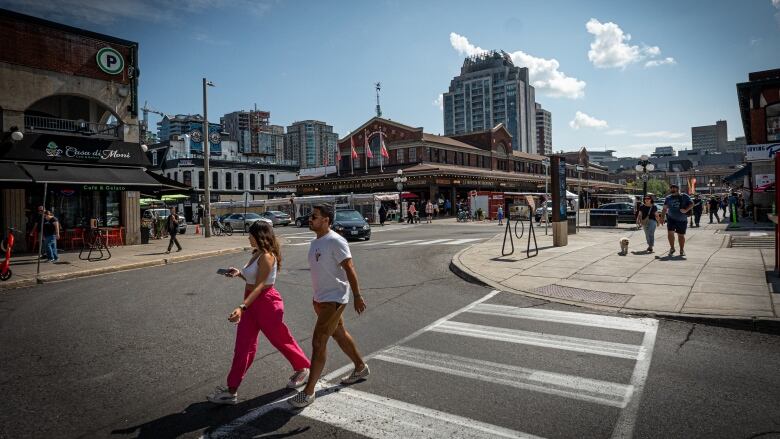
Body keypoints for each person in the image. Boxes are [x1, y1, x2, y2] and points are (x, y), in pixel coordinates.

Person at [209, 221, 311, 405]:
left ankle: (302, 367)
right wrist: (239, 273)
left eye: (251, 235)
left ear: (260, 236)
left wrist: (242, 307)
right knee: (243, 347)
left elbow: (261, 286)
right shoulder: (256, 254)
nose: (248, 238)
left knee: (281, 340)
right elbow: (252, 278)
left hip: (266, 302)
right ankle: (231, 390)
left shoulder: (267, 256)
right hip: (252, 301)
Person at [290, 204, 368, 408]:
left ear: (326, 220)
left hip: (334, 299)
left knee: (318, 342)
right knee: (339, 334)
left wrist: (357, 295)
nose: (310, 219)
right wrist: (316, 297)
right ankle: (360, 367)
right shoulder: (316, 241)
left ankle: (308, 392)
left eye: (314, 217)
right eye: (310, 216)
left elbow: (350, 269)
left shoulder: (335, 240)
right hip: (322, 299)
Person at [661, 184, 693, 257]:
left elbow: (692, 204)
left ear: (678, 189)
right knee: (670, 233)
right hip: (671, 218)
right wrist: (662, 218)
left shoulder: (684, 196)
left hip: (682, 219)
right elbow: (664, 208)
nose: (672, 189)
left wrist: (686, 210)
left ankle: (681, 250)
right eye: (671, 188)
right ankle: (672, 248)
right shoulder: (668, 198)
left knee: (681, 235)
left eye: (674, 188)